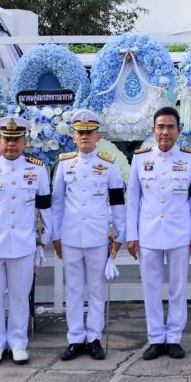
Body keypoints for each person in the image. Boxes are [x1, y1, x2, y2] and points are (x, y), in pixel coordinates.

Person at [0, 115, 52, 365]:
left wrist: (44, 239)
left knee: (19, 297)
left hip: (23, 245)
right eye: (7, 140)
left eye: (16, 140)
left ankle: (18, 343)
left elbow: (45, 208)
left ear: (24, 142)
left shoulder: (37, 170)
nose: (11, 145)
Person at [127, 106, 191, 361]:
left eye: (171, 127)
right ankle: (155, 338)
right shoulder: (140, 159)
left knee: (178, 288)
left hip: (179, 233)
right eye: (160, 127)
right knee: (150, 288)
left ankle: (174, 338)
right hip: (148, 233)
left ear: (179, 131)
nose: (165, 132)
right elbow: (133, 200)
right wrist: (132, 235)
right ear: (153, 130)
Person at [51, 108, 126, 362]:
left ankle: (94, 337)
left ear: (97, 136)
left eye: (89, 132)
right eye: (80, 132)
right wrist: (55, 236)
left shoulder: (108, 164)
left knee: (96, 289)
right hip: (71, 236)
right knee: (73, 289)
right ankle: (75, 338)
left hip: (97, 236)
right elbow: (57, 202)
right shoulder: (64, 164)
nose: (85, 137)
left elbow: (117, 202)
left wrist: (119, 233)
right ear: (73, 136)